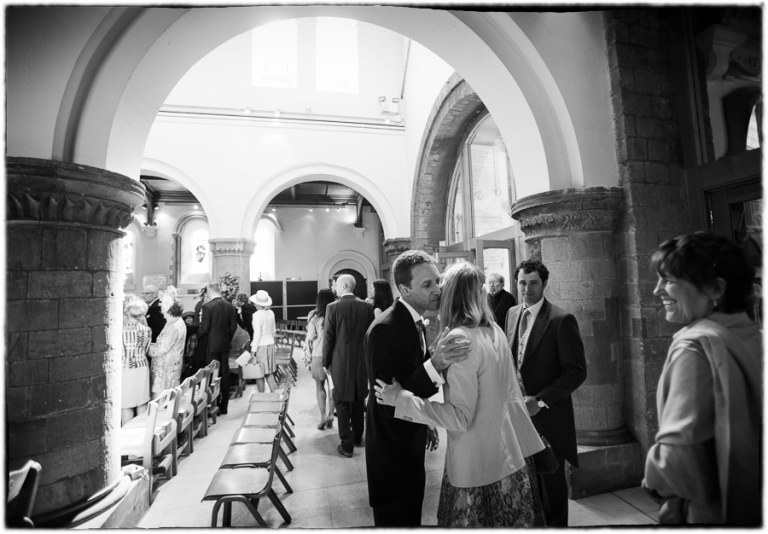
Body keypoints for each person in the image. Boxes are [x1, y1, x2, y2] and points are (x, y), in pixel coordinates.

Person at [375, 261, 545, 527]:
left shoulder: (460, 338)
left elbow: (460, 418)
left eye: (439, 285)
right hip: (508, 455)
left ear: (450, 294)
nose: (436, 291)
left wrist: (401, 400)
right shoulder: (494, 330)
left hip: (477, 464)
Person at [642, 231, 762, 526]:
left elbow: (676, 458)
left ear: (715, 288)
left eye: (669, 280)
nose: (657, 290)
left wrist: (657, 487)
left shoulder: (694, 346)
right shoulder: (755, 336)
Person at [363, 249, 472, 527]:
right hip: (392, 450)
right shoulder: (384, 329)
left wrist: (427, 420)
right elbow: (388, 401)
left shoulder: (414, 320)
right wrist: (435, 364)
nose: (437, 290)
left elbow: (409, 378)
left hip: (411, 437)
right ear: (404, 289)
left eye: (437, 281)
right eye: (427, 284)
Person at [505, 259, 587, 527]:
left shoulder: (561, 320)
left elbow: (576, 372)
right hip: (518, 416)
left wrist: (540, 401)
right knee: (528, 484)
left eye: (533, 283)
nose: (526, 288)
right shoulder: (513, 314)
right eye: (522, 283)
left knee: (552, 486)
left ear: (544, 284)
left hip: (549, 418)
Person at [322, 274, 374, 458]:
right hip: (361, 360)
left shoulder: (332, 307)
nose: (334, 287)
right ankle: (358, 436)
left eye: (336, 284)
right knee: (359, 399)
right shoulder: (367, 306)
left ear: (344, 286)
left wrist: (325, 362)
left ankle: (347, 444)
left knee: (342, 402)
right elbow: (370, 336)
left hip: (340, 360)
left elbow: (328, 337)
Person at [197, 282, 237, 415]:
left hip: (211, 345)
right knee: (224, 374)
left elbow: (205, 328)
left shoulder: (207, 306)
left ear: (209, 292)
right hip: (224, 344)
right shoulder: (229, 306)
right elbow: (233, 327)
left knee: (211, 375)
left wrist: (196, 335)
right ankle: (224, 406)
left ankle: (212, 406)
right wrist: (227, 339)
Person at [303, 289, 336, 430]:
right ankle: (330, 416)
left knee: (319, 386)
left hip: (318, 355)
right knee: (333, 387)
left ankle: (322, 416)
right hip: (334, 355)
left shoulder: (313, 315)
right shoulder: (335, 312)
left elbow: (310, 336)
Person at [148, 295, 187, 399]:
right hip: (173, 361)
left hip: (166, 364)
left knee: (162, 393)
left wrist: (146, 348)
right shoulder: (175, 321)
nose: (162, 314)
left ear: (170, 310)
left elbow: (161, 349)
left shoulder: (174, 326)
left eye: (163, 311)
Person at [121, 297, 152, 425]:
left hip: (125, 367)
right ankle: (141, 431)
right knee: (142, 401)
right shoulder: (147, 330)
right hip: (142, 366)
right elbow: (147, 349)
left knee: (126, 404)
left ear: (127, 313)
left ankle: (127, 436)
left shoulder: (120, 331)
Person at [249, 290, 278, 393]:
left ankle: (261, 396)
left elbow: (257, 334)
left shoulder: (256, 315)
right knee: (269, 372)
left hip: (261, 346)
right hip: (270, 343)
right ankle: (274, 394)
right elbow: (274, 331)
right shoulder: (271, 313)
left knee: (259, 372)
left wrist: (253, 350)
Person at [141, 285, 166, 367]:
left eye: (146, 293)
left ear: (155, 294)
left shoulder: (157, 307)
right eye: (143, 293)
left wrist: (148, 338)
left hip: (155, 343)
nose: (143, 296)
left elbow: (159, 328)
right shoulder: (152, 306)